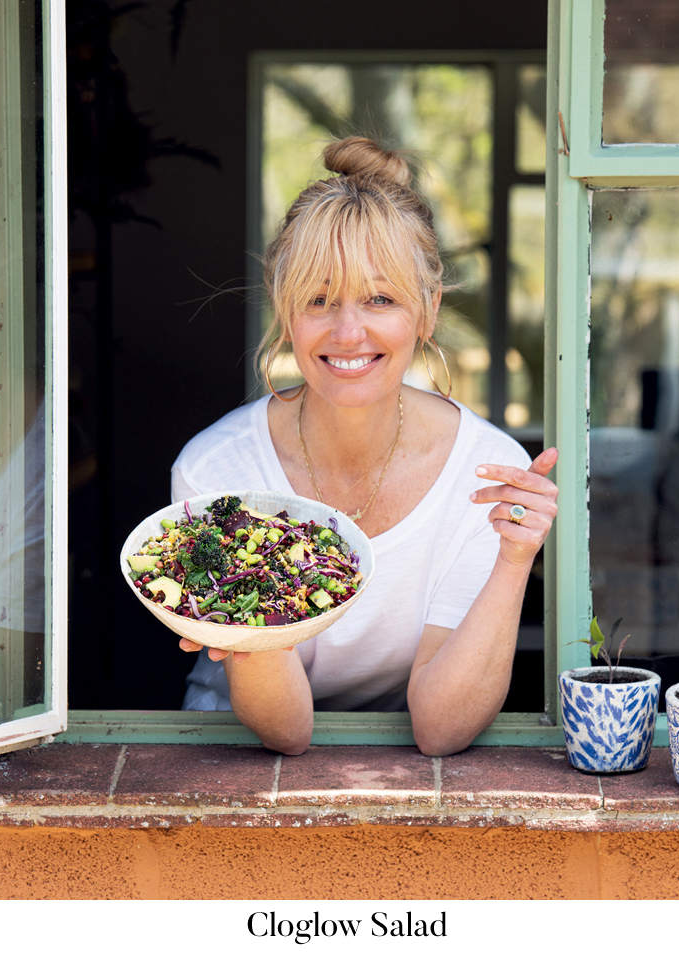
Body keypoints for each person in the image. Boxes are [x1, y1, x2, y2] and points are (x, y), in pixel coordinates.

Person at [172, 136, 558, 757]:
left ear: (428, 310)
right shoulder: (218, 471)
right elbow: (288, 732)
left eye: (380, 298)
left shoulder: (489, 473)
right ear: (284, 308)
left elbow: (440, 728)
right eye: (319, 300)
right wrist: (248, 634)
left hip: (396, 747)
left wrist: (516, 560)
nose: (348, 332)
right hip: (231, 748)